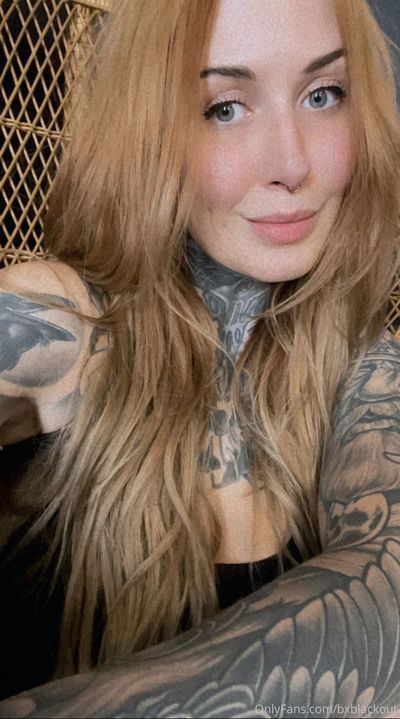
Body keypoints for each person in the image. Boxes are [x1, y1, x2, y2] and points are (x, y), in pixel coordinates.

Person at [0, 0, 400, 715]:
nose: (293, 164)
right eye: (224, 108)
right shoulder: (57, 323)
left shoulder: (360, 363)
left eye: (322, 94)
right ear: (150, 133)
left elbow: (389, 594)